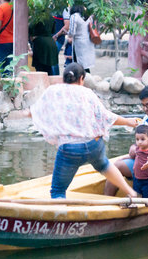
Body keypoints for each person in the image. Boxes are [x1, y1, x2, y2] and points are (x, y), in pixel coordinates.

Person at [19, 63, 139, 199]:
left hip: (70, 149)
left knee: (58, 191)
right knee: (104, 165)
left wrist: (25, 114)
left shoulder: (54, 91)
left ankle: (62, 218)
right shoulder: (87, 93)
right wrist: (128, 121)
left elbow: (36, 111)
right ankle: (131, 192)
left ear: (64, 78)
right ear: (81, 79)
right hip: (94, 145)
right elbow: (105, 116)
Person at [131, 125, 148, 198]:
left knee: (147, 196)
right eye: (137, 139)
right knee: (136, 195)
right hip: (136, 178)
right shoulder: (137, 148)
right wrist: (122, 158)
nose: (139, 142)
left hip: (147, 180)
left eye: (142, 139)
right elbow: (134, 156)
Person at [68, 5, 95, 73]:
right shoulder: (87, 16)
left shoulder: (74, 16)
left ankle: (81, 81)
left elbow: (72, 32)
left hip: (79, 43)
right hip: (88, 42)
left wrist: (67, 33)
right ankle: (88, 80)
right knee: (86, 65)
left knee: (78, 64)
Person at [51, 7, 70, 75]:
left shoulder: (65, 9)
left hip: (58, 38)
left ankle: (55, 80)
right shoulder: (51, 7)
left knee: (52, 59)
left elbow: (67, 26)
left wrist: (56, 35)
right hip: (51, 38)